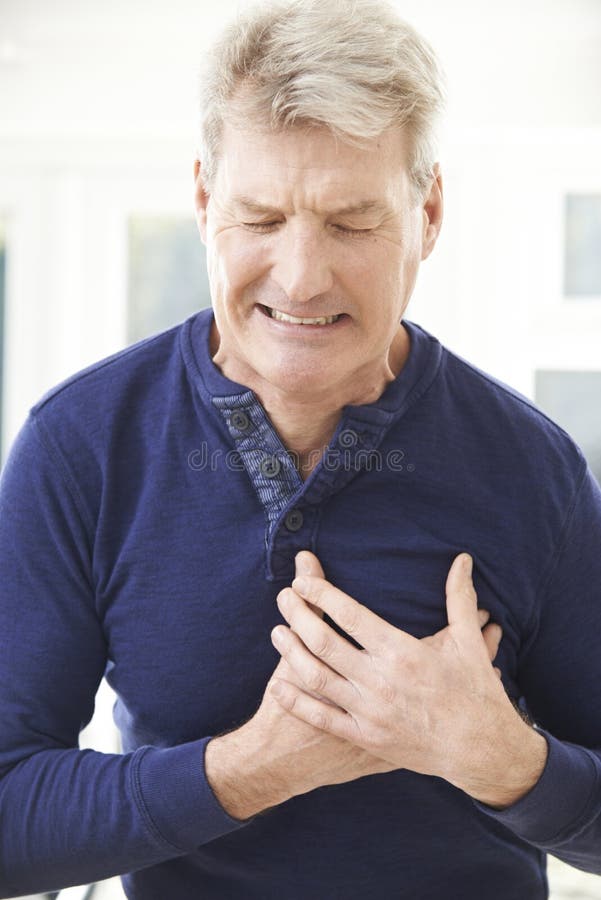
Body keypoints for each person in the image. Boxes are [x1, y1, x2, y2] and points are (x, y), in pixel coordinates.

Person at [1, 0, 600, 897]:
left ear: (426, 213)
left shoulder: (535, 469)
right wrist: (254, 767)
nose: (300, 275)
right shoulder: (81, 446)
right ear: (205, 202)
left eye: (352, 222)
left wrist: (503, 760)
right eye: (261, 216)